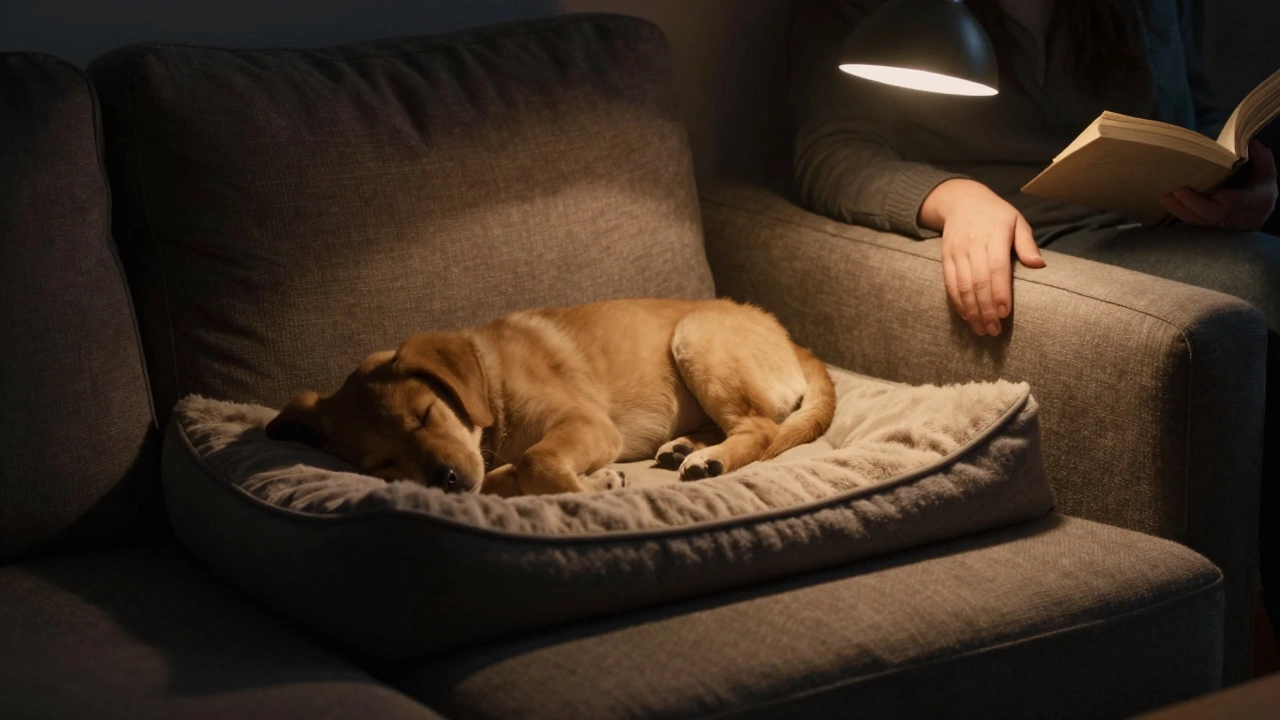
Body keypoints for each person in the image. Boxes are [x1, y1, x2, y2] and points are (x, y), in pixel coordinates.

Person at [790, 0, 1279, 649]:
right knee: (1256, 290)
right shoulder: (900, 16)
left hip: (1162, 223)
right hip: (1040, 237)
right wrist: (954, 199)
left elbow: (1200, 112)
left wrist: (1246, 182)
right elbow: (831, 149)